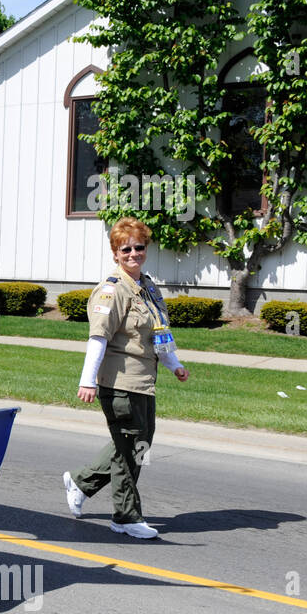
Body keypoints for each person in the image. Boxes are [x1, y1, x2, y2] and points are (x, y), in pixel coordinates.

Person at [63, 217, 189, 540]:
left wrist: (175, 365)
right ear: (116, 253)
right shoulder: (112, 291)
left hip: (145, 381)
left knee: (135, 444)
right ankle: (126, 516)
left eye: (139, 247)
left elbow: (159, 333)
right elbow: (98, 339)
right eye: (126, 248)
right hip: (119, 382)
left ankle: (80, 482)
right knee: (132, 446)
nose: (133, 253)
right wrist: (87, 380)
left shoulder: (147, 287)